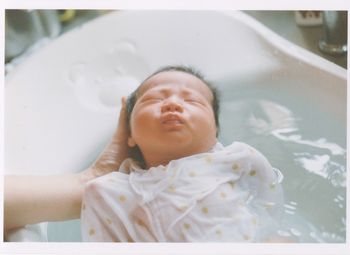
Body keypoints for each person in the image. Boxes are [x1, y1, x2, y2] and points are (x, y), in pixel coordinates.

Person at [80, 66, 285, 242]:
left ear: (215, 130)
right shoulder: (108, 192)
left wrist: (271, 237)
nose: (173, 104)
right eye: (154, 99)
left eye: (193, 101)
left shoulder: (239, 159)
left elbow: (268, 200)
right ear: (129, 132)